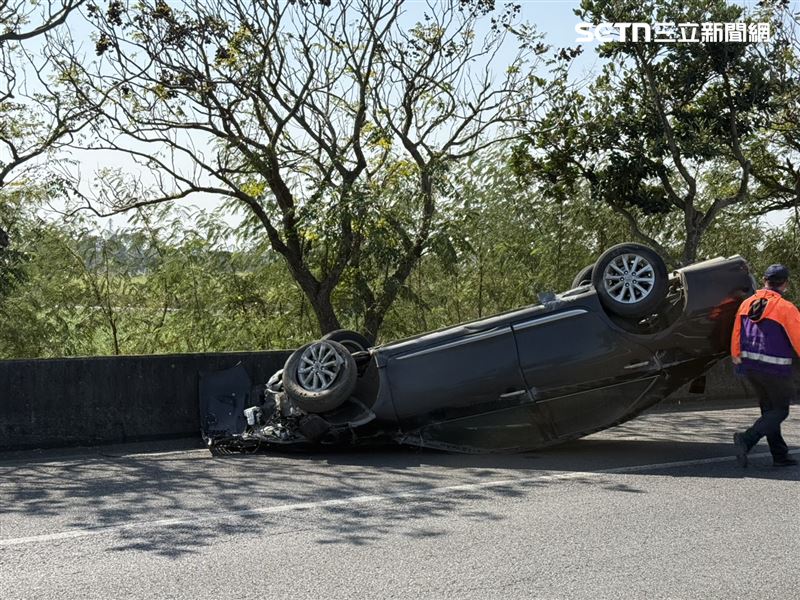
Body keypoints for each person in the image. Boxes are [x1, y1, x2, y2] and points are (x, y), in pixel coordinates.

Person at [731, 264, 800, 467]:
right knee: (780, 410)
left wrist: (736, 357)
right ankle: (747, 439)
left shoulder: (746, 304)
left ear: (764, 281)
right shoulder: (786, 308)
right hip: (775, 369)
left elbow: (736, 332)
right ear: (785, 284)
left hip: (750, 366)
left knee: (769, 410)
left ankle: (779, 455)